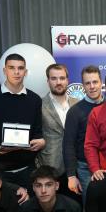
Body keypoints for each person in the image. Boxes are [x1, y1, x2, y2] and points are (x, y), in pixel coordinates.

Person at [0, 53, 45, 189]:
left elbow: (38, 132)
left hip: (27, 170)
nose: (16, 72)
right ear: (4, 70)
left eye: (20, 68)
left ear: (25, 72)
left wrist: (41, 141)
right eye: (12, 68)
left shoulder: (35, 99)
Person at [62, 65, 106, 205]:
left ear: (101, 83)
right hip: (85, 169)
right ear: (83, 85)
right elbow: (68, 144)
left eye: (95, 82)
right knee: (91, 207)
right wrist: (71, 175)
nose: (92, 86)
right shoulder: (75, 111)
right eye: (88, 83)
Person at [37, 64, 79, 193]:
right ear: (48, 81)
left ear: (67, 80)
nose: (58, 82)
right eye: (54, 78)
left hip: (76, 168)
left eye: (62, 78)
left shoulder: (77, 104)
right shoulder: (39, 105)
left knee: (75, 204)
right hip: (50, 168)